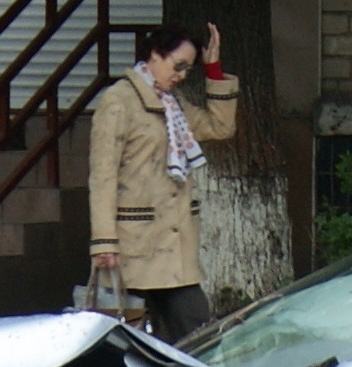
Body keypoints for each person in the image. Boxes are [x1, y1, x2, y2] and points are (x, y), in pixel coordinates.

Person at [86, 23, 238, 343]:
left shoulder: (174, 103)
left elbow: (220, 127)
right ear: (155, 56)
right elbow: (102, 175)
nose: (182, 75)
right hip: (132, 248)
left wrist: (213, 69)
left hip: (176, 253)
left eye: (188, 69)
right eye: (177, 65)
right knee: (124, 345)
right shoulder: (119, 100)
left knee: (198, 337)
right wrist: (104, 242)